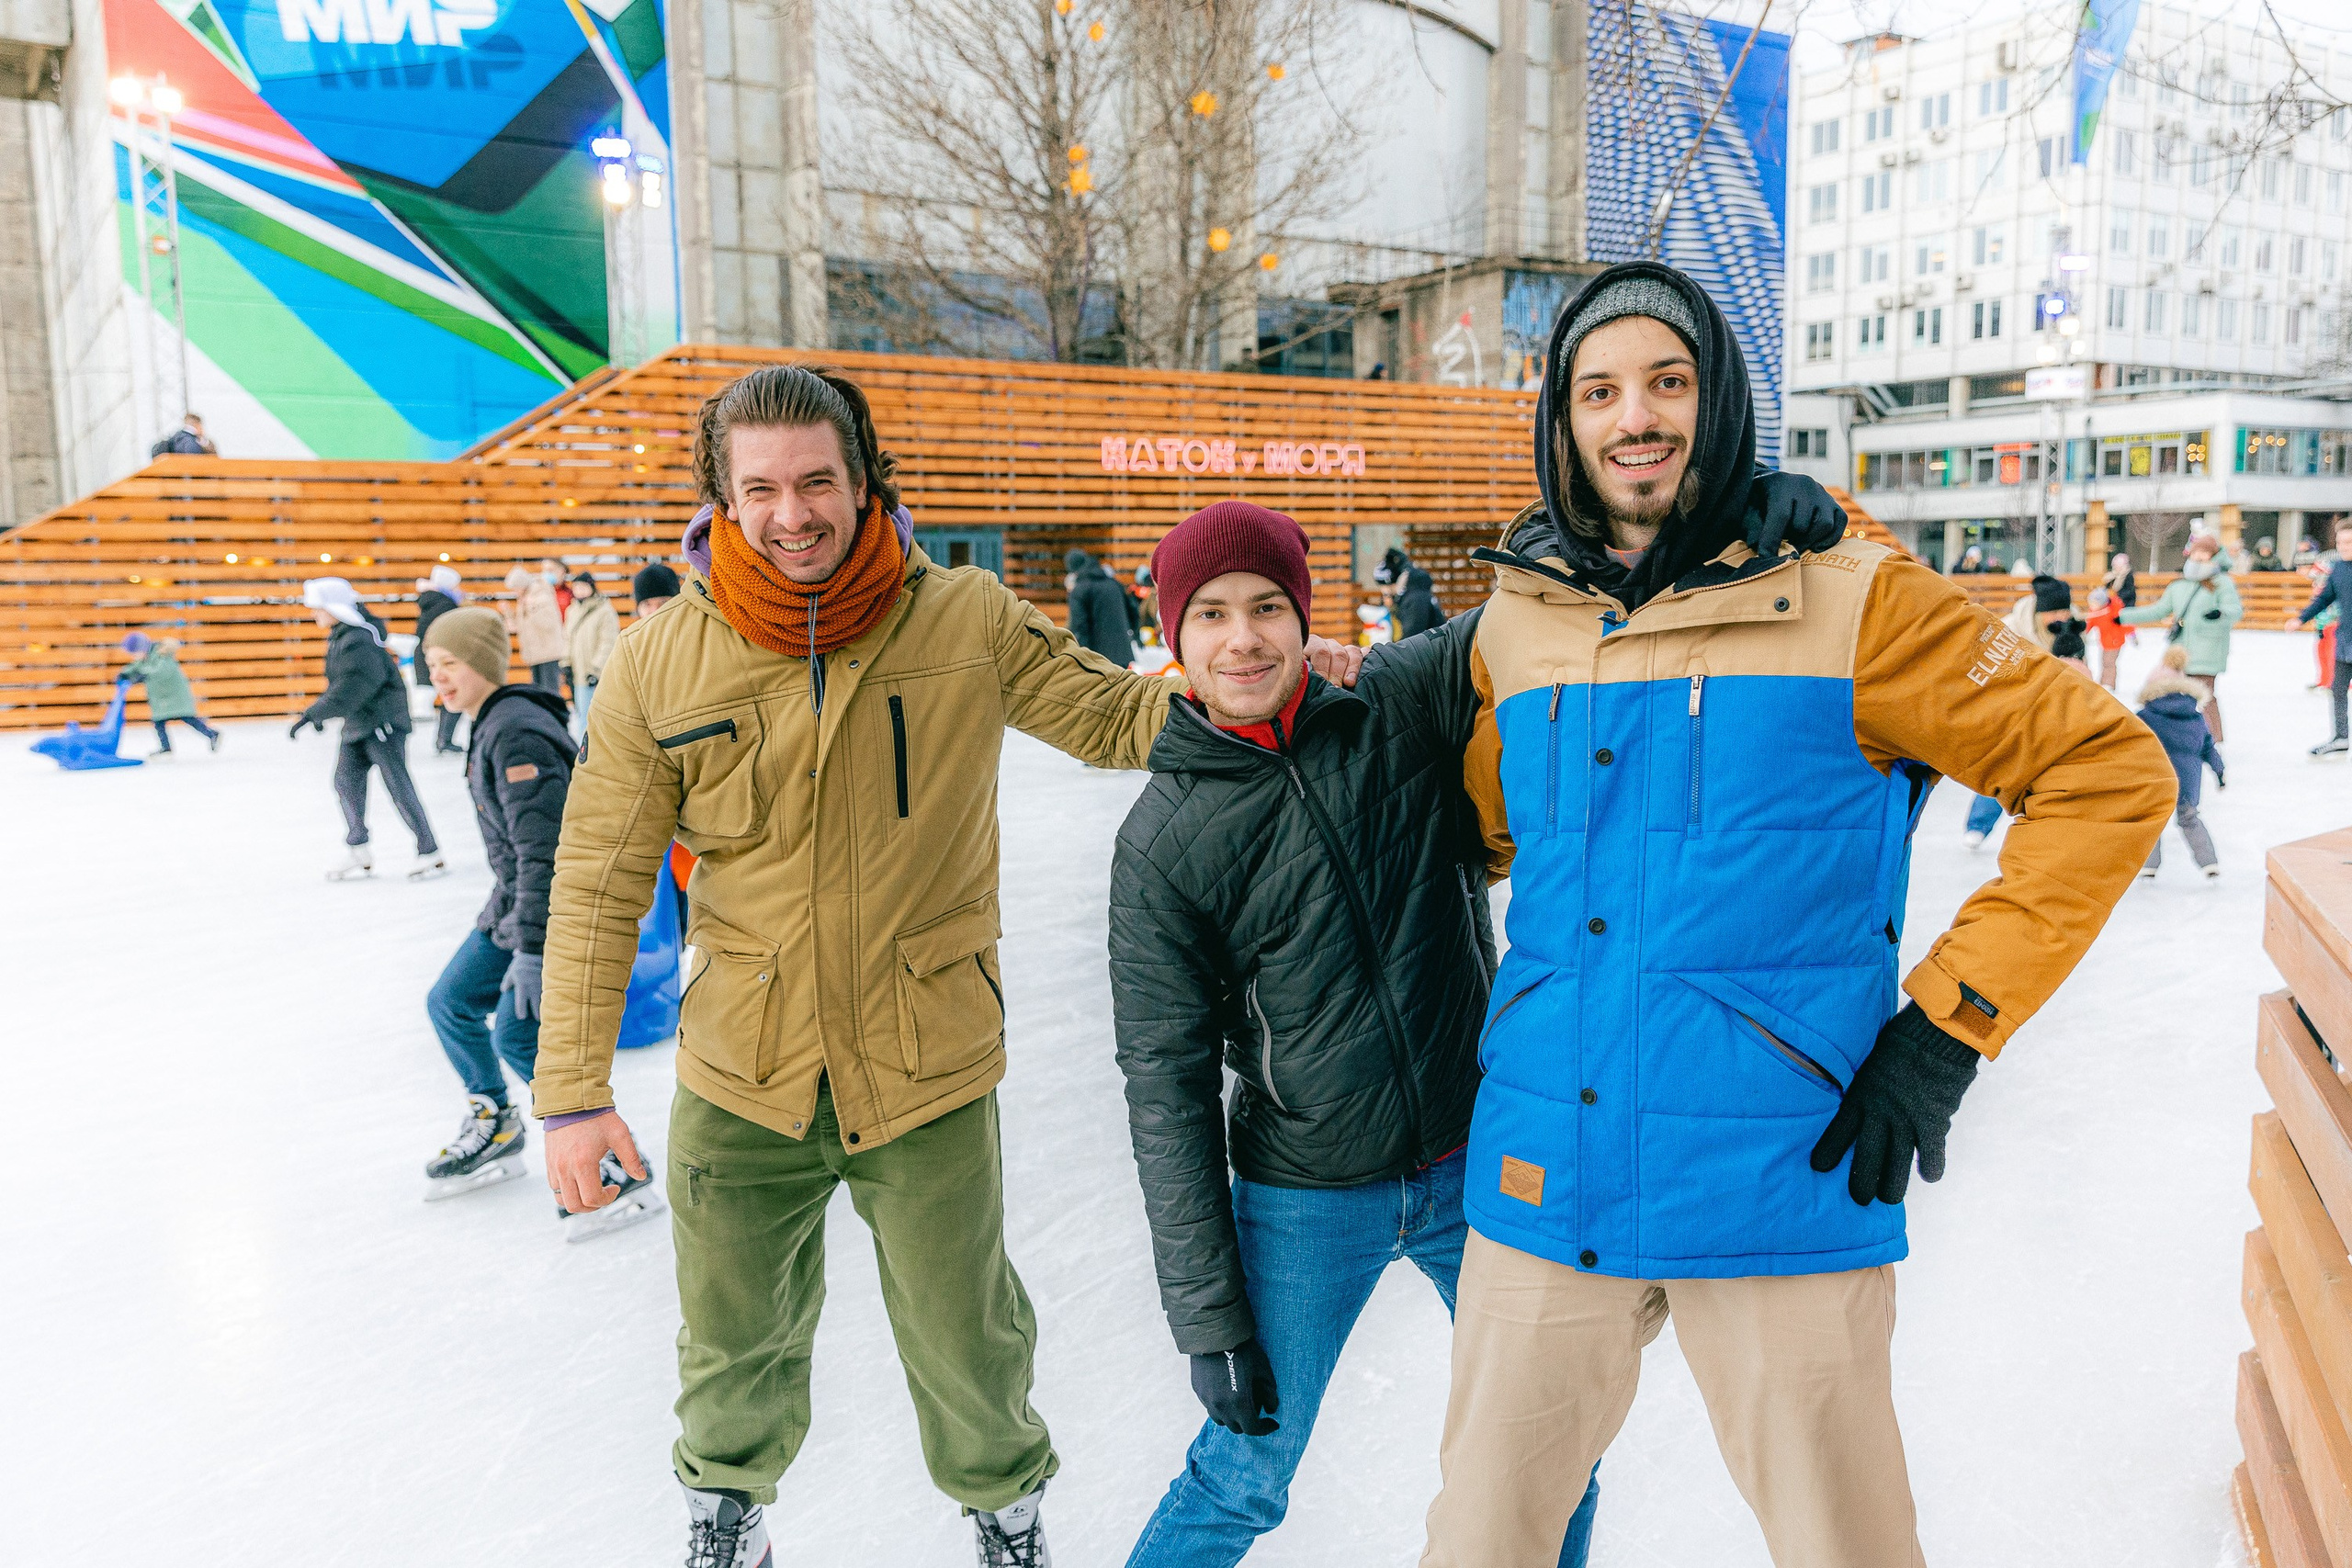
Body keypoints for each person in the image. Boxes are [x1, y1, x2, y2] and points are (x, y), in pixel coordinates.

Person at [530, 364, 1361, 1568]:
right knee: (729, 1331)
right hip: (740, 1066)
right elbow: (601, 880)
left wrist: (1260, 677)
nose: (792, 511)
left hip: (924, 1059)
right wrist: (570, 1087)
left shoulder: (958, 616)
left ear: (866, 481)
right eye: (759, 486)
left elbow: (1111, 716)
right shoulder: (662, 663)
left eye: (818, 479)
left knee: (967, 1331)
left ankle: (1004, 1510)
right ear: (720, 496)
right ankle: (727, 1507)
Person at [1414, 261, 2174, 1568]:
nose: (1633, 416)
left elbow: (2110, 770)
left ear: (1720, 404)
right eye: (1599, 390)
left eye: (1668, 381)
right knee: (1478, 1539)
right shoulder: (1519, 631)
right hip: (1548, 1168)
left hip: (1780, 1166)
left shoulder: (1859, 600)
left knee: (1845, 1546)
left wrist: (1947, 1029)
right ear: (1562, 420)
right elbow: (1475, 832)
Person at [1106, 502, 1602, 1568]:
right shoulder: (1161, 846)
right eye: (1212, 616)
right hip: (1305, 1194)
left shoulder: (1394, 702)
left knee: (1555, 1444)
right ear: (1174, 639)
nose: (1243, 638)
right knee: (1244, 1471)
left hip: (1479, 1162)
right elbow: (1165, 1086)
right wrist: (1209, 1319)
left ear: (1306, 615)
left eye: (1269, 608)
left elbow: (1528, 604)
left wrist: (1590, 522)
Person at [413, 606, 660, 1235]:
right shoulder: (491, 721)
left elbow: (545, 853)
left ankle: (613, 1161)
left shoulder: (516, 732)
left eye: (451, 665)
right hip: (516, 900)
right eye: (433, 665)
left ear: (482, 665)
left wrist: (530, 949)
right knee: (451, 1000)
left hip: (550, 909)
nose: (438, 677)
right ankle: (495, 1119)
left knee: (520, 1038)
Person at [293, 578, 444, 882]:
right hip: (360, 723)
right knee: (346, 782)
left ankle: (430, 851)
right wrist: (321, 715)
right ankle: (358, 849)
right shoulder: (342, 636)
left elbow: (354, 685)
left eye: (318, 608)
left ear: (333, 607)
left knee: (397, 785)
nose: (314, 614)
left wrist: (315, 713)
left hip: (383, 722)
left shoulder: (358, 640)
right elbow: (343, 685)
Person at [2120, 534, 2242, 740]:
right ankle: (2183, 736)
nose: (2200, 556)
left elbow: (2234, 610)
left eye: (2205, 552)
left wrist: (2220, 613)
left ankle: (2213, 740)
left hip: (2208, 649)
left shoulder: (2222, 583)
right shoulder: (2179, 586)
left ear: (2215, 556)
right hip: (2180, 652)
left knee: (2205, 696)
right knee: (2177, 695)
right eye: (2196, 552)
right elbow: (2158, 611)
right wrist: (2122, 616)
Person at [2134, 646, 2225, 880]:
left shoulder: (2144, 717)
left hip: (2156, 780)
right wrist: (2220, 772)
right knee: (2189, 818)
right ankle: (2209, 862)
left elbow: (2129, 748)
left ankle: (2149, 865)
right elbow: (2208, 747)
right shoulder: (2195, 717)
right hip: (2187, 781)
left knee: (2151, 821)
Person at [2294, 518, 2352, 756]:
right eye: (2340, 542)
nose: (2343, 546)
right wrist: (2301, 618)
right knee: (2338, 689)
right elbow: (2324, 598)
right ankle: (2341, 738)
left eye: (2348, 542)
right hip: (2346, 642)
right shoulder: (2338, 569)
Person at [117, 632, 220, 755]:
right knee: (159, 722)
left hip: (174, 694)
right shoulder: (147, 656)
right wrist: (125, 673)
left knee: (188, 718)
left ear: (141, 648)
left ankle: (211, 733)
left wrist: (144, 675)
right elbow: (136, 666)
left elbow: (161, 670)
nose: (134, 656)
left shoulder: (162, 654)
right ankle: (166, 747)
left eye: (134, 653)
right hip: (162, 697)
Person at [413, 564, 467, 754]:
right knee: (456, 694)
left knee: (451, 695)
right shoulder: (445, 605)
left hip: (433, 657)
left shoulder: (432, 602)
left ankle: (444, 739)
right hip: (444, 658)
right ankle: (445, 739)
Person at [1067, 547, 1138, 669]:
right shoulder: (1114, 584)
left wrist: (1081, 657)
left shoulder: (1079, 590)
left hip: (1096, 658)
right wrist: (1133, 634)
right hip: (1121, 654)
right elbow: (1133, 611)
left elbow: (1079, 626)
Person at [563, 572, 619, 726]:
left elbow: (608, 642)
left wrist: (596, 669)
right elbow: (567, 638)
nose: (579, 590)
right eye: (576, 587)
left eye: (583, 587)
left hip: (595, 675)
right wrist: (566, 662)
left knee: (595, 719)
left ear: (592, 588)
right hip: (577, 673)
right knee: (581, 716)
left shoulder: (604, 611)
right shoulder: (572, 610)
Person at [503, 563, 566, 691]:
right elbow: (519, 626)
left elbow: (547, 624)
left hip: (548, 653)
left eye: (515, 588)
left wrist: (532, 607)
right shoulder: (525, 599)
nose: (515, 592)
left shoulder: (541, 596)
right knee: (539, 691)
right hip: (535, 654)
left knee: (550, 691)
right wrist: (508, 613)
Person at [2086, 585, 2126, 691]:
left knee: (2109, 662)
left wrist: (2132, 635)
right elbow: (2089, 624)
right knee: (2104, 661)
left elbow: (2126, 623)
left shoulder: (2113, 611)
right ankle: (2104, 683)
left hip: (2115, 641)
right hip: (2105, 642)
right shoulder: (2095, 612)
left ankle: (2109, 684)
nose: (2092, 606)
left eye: (2095, 603)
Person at [1392, 566, 1446, 638]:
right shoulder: (1425, 595)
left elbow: (1413, 630)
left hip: (1425, 645)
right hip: (1434, 642)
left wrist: (1399, 647)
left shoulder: (1416, 599)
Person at [149, 412, 215, 457]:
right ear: (197, 425)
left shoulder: (176, 438)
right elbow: (196, 462)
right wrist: (206, 444)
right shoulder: (190, 441)